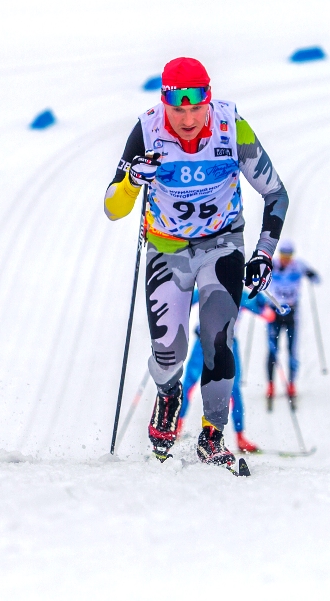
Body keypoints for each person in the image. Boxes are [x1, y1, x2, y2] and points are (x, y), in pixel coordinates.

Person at [104, 57, 288, 472]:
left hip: (220, 245)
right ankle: (168, 396)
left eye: (195, 107)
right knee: (168, 354)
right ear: (164, 103)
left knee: (216, 335)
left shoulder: (231, 127)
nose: (187, 119)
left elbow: (276, 194)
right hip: (166, 249)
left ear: (208, 99)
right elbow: (112, 208)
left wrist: (262, 253)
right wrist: (134, 180)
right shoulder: (148, 129)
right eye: (178, 109)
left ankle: (212, 435)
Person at [178, 289, 276, 453]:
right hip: (204, 343)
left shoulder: (241, 295)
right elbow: (182, 302)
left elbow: (268, 315)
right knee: (188, 383)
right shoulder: (206, 289)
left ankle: (240, 437)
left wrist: (262, 301)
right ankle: (176, 427)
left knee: (233, 389)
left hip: (228, 345)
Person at [264, 239, 319, 410]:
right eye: (283, 255)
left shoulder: (298, 266)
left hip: (291, 313)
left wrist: (311, 275)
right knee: (272, 349)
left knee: (291, 349)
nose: (286, 258)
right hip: (274, 312)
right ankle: (271, 385)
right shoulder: (271, 265)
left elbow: (316, 278)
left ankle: (292, 383)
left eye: (289, 255)